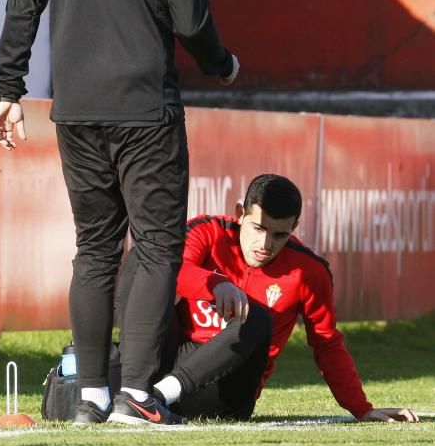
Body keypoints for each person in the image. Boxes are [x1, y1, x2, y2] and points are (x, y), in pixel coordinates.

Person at [0, 0, 239, 426]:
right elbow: (191, 18)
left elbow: (23, 2)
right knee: (156, 247)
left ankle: (91, 395)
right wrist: (222, 63)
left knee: (95, 250)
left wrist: (7, 90)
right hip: (145, 110)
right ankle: (137, 396)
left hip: (75, 112)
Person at [136, 174, 418, 423]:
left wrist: (361, 408)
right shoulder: (206, 231)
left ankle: (156, 396)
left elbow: (327, 344)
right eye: (258, 229)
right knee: (143, 264)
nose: (265, 245)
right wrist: (215, 283)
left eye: (279, 235)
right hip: (170, 361)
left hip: (225, 392)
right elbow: (170, 270)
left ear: (295, 227)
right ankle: (117, 392)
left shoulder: (310, 271)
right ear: (240, 213)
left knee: (255, 317)